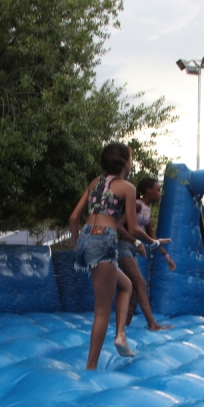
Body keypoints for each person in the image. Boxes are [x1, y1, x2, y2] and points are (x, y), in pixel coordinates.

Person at [69, 142, 169, 370]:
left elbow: (74, 218)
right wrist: (153, 242)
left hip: (85, 237)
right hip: (103, 238)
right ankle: (91, 367)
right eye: (131, 159)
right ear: (124, 162)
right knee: (102, 311)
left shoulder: (95, 182)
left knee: (126, 286)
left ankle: (121, 334)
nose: (132, 163)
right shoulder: (127, 188)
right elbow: (133, 229)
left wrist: (77, 247)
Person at [116, 177, 176, 330]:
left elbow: (152, 238)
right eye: (158, 190)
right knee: (141, 283)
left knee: (136, 288)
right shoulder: (136, 205)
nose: (160, 193)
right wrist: (136, 242)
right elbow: (118, 226)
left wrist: (166, 257)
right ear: (148, 190)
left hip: (132, 250)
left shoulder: (147, 211)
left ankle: (125, 324)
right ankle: (152, 324)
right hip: (123, 247)